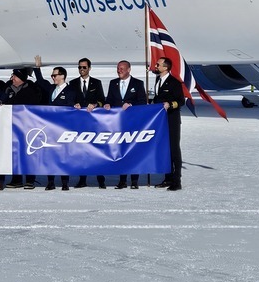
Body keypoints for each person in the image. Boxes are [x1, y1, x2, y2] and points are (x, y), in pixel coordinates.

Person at [33, 57, 77, 190]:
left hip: (63, 128)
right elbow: (40, 81)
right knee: (50, 154)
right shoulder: (51, 88)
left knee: (63, 155)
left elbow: (70, 107)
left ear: (62, 76)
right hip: (50, 128)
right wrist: (37, 68)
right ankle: (50, 181)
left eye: (55, 75)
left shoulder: (71, 91)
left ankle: (65, 182)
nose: (52, 77)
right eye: (52, 75)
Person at [105, 60, 148, 189]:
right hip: (118, 124)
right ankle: (122, 180)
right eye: (118, 68)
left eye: (122, 68)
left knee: (133, 150)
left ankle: (134, 180)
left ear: (129, 70)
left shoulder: (138, 83)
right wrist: (107, 104)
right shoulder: (113, 83)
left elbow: (142, 102)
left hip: (133, 123)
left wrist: (131, 105)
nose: (119, 71)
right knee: (121, 150)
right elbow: (109, 99)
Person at [2, 67, 41, 188]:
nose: (12, 78)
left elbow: (36, 104)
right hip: (12, 126)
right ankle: (16, 179)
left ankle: (30, 179)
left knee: (28, 153)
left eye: (15, 76)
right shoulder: (8, 88)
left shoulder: (32, 89)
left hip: (28, 126)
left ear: (21, 78)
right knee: (15, 153)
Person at [69, 58, 106, 188]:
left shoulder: (96, 83)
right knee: (81, 150)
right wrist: (74, 104)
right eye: (79, 67)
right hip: (79, 121)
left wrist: (95, 104)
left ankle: (100, 178)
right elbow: (69, 100)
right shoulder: (72, 83)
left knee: (96, 149)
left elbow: (102, 100)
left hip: (94, 121)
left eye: (84, 67)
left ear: (89, 68)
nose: (81, 70)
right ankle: (82, 179)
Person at [152, 56, 184, 191]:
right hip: (161, 121)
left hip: (172, 120)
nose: (156, 66)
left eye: (158, 64)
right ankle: (168, 177)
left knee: (174, 150)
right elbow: (158, 98)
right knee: (164, 150)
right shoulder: (158, 79)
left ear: (165, 67)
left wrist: (170, 104)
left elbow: (181, 101)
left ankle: (176, 181)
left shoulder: (174, 82)